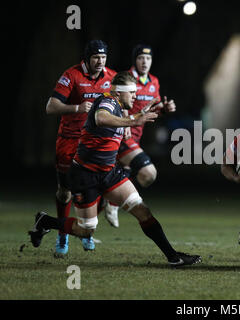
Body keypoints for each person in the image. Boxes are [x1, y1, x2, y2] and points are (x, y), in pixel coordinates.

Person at [30, 71, 201, 267]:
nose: (135, 96)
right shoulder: (108, 101)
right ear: (119, 93)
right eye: (132, 92)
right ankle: (45, 221)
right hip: (85, 175)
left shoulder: (119, 106)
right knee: (86, 229)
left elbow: (131, 117)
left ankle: (173, 257)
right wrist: (132, 121)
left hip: (109, 173)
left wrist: (153, 113)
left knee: (142, 210)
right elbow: (101, 117)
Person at [46, 40, 116, 256]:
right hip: (70, 140)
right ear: (87, 58)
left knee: (100, 188)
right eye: (96, 57)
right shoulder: (71, 75)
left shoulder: (111, 77)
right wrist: (77, 107)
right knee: (65, 192)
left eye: (103, 57)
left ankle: (85, 232)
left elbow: (119, 103)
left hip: (95, 142)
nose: (100, 62)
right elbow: (50, 107)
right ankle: (63, 234)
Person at [103, 44, 176, 228]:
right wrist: (122, 117)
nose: (145, 62)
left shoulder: (154, 82)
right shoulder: (124, 79)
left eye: (148, 58)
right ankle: (113, 201)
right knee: (148, 174)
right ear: (134, 60)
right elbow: (108, 99)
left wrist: (164, 110)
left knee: (119, 175)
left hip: (136, 137)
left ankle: (107, 205)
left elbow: (153, 110)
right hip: (120, 135)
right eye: (141, 58)